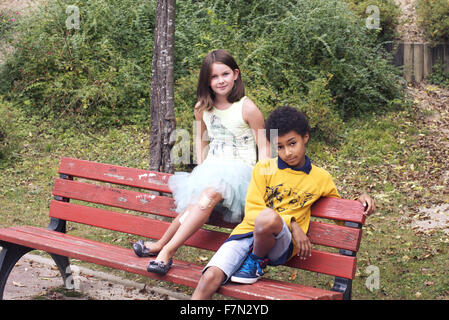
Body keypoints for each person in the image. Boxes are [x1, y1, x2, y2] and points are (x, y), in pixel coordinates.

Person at [191, 106, 376, 299]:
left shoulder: (320, 178)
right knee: (209, 278)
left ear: (305, 137)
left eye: (292, 143)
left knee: (269, 217)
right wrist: (293, 223)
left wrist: (359, 203)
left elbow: (341, 217)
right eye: (280, 147)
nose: (287, 152)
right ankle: (251, 260)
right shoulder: (263, 169)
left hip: (280, 245)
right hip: (247, 234)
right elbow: (253, 211)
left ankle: (256, 261)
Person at [132, 49, 271, 275]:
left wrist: (262, 178)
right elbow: (200, 139)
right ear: (207, 80)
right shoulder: (202, 108)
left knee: (207, 195)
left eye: (225, 74)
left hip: (242, 174)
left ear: (235, 74)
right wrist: (202, 168)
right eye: (214, 77)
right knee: (198, 201)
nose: (220, 81)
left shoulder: (246, 108)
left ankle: (167, 251)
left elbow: (264, 145)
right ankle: (160, 244)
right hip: (213, 169)